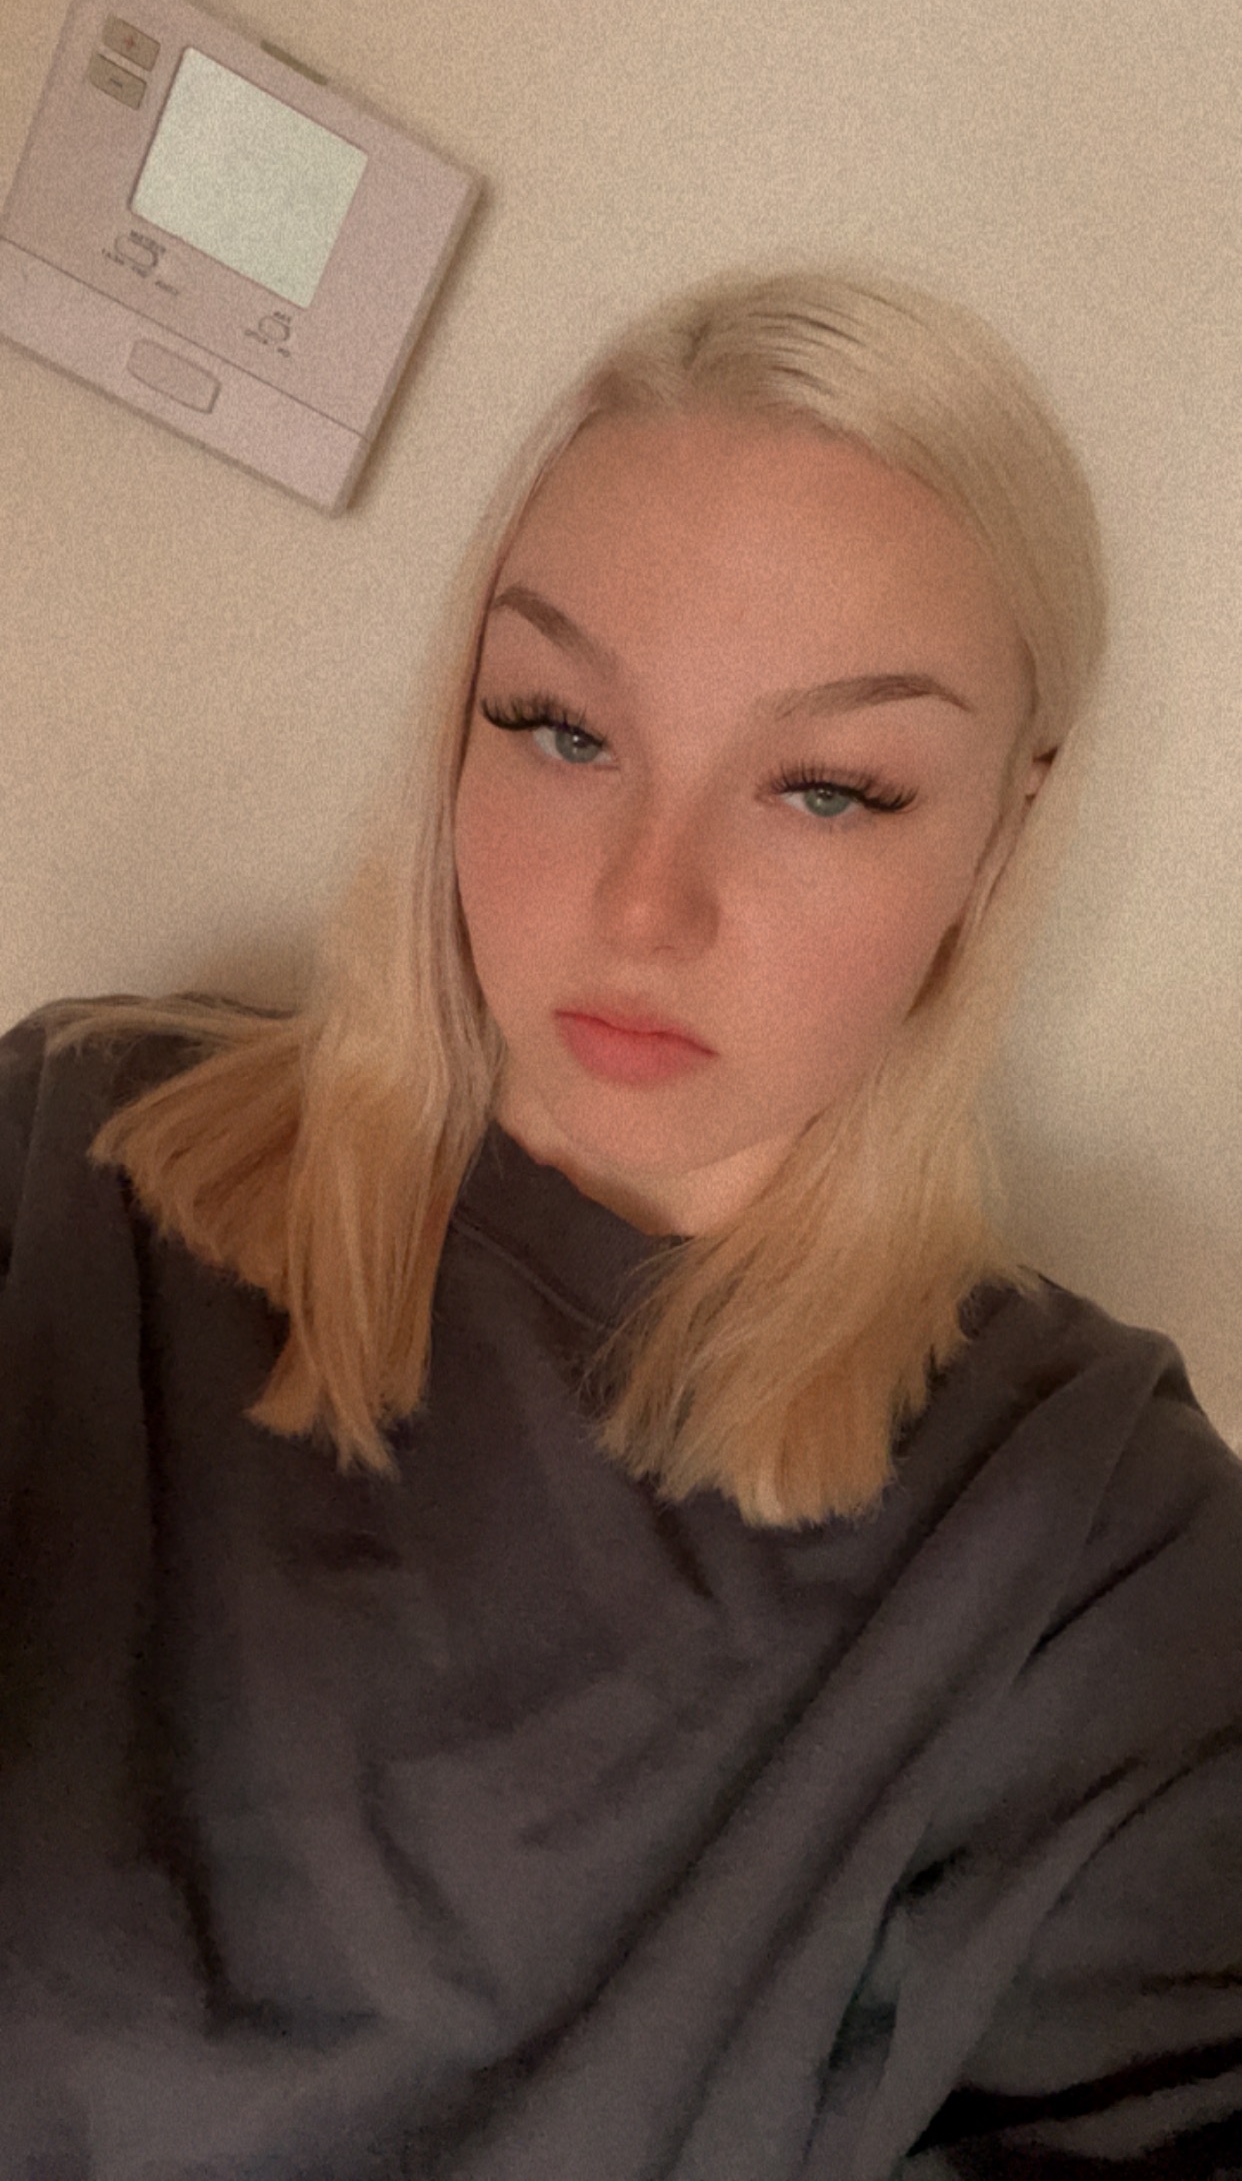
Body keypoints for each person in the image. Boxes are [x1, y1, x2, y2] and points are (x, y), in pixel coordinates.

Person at [1, 265, 1238, 2179]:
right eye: (562, 729)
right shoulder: (82, 1158)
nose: (645, 906)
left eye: (827, 790)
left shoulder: (1089, 1550)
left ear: (1001, 836)